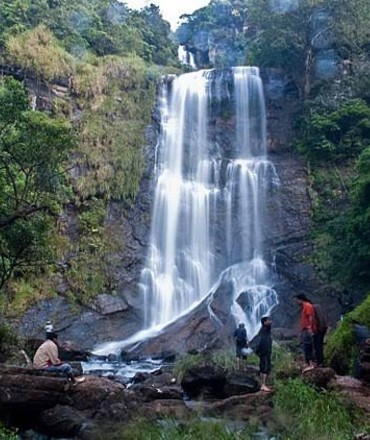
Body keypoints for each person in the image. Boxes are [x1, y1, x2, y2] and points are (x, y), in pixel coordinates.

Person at [295, 294, 316, 372]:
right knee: (306, 345)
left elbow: (310, 317)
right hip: (305, 329)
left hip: (307, 329)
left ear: (301, 299)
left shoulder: (308, 306)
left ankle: (311, 364)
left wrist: (310, 328)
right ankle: (308, 363)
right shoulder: (304, 306)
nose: (296, 302)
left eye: (297, 300)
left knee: (308, 346)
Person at [255, 316, 273, 392]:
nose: (270, 321)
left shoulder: (264, 330)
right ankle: (263, 385)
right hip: (265, 351)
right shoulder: (264, 330)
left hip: (264, 351)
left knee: (263, 367)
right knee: (265, 368)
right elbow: (261, 341)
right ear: (264, 322)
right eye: (268, 320)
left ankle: (263, 384)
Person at [312, 302, 328, 367]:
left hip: (319, 330)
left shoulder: (315, 308)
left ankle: (320, 362)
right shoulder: (317, 307)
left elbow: (320, 319)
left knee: (318, 346)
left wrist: (320, 329)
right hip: (321, 329)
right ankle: (320, 361)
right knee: (319, 346)